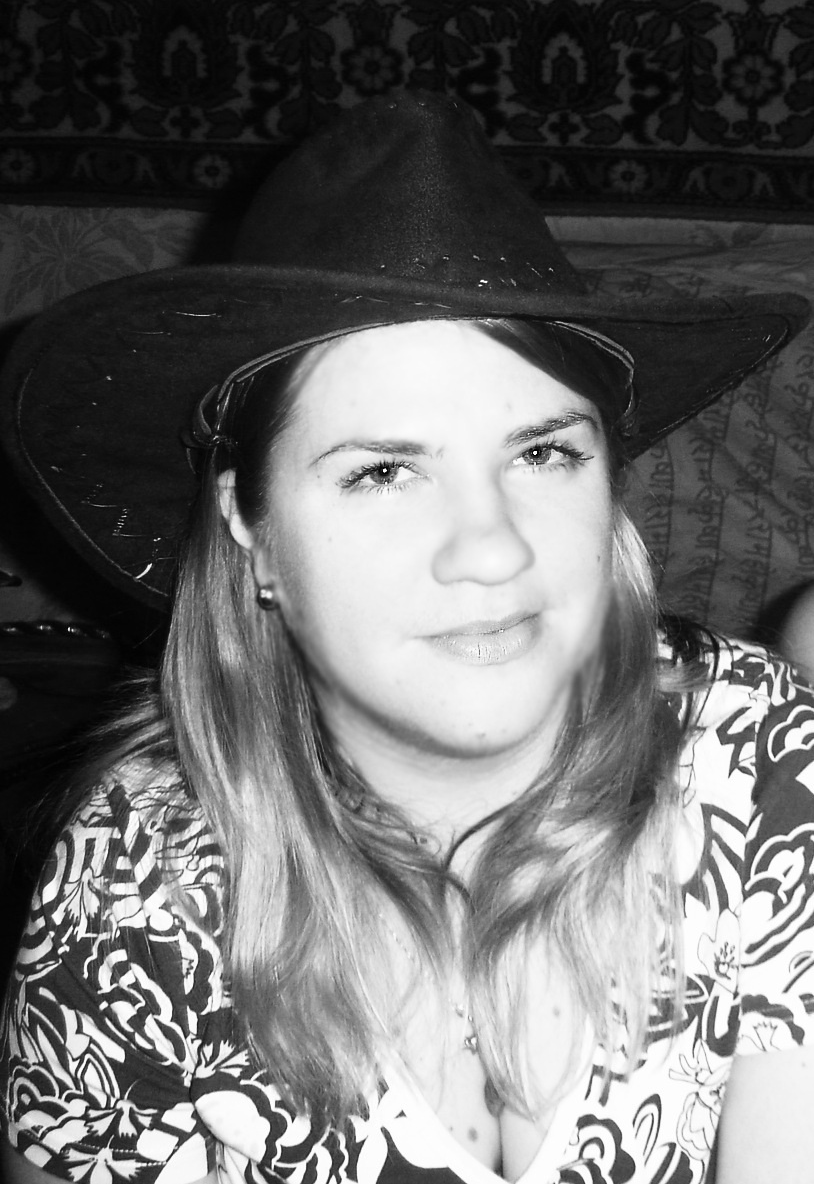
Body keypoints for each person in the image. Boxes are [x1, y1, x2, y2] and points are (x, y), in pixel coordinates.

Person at [1, 92, 813, 1184]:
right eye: (383, 471)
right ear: (253, 531)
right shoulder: (141, 885)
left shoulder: (758, 758)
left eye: (543, 454)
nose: (491, 547)